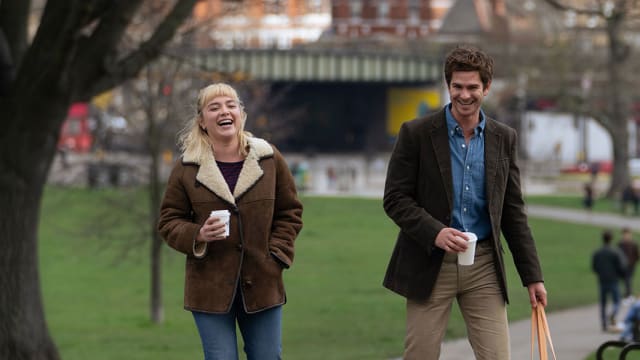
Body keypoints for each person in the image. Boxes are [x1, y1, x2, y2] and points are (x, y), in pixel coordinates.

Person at [382, 45, 547, 360]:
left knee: (498, 356)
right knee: (420, 355)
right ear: (448, 86)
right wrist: (435, 232)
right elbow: (395, 198)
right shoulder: (416, 133)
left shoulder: (504, 138)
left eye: (473, 87)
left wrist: (532, 276)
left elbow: (513, 213)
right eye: (457, 86)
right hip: (430, 262)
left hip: (484, 264)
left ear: (486, 88)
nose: (465, 95)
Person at [157, 83, 303, 360]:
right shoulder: (187, 167)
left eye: (230, 105)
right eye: (214, 107)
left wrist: (277, 256)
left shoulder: (269, 159)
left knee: (267, 356)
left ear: (241, 114)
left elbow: (290, 212)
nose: (224, 111)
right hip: (208, 286)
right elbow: (168, 221)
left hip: (262, 281)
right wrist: (197, 234)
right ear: (202, 121)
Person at [592, 229, 626, 331]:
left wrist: (600, 273)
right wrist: (621, 276)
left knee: (603, 303)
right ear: (611, 239)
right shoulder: (616, 252)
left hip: (602, 280)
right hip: (613, 280)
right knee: (617, 301)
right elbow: (622, 266)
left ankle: (604, 324)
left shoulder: (597, 252)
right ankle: (612, 315)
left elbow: (594, 266)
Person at [619, 227, 639, 299]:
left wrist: (634, 262)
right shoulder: (620, 244)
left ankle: (628, 295)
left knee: (628, 280)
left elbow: (636, 255)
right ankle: (627, 294)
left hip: (631, 266)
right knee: (625, 280)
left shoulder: (634, 244)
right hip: (622, 266)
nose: (626, 236)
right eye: (625, 234)